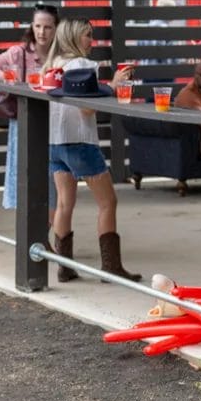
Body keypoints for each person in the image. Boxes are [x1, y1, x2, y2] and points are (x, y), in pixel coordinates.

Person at [42, 17, 137, 283]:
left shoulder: (52, 65)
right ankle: (111, 268)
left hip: (55, 144)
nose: (91, 41)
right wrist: (115, 86)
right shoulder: (83, 65)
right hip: (80, 143)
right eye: (87, 35)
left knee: (63, 203)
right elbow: (86, 108)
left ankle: (64, 266)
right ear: (73, 37)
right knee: (108, 202)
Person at [0, 4, 58, 211]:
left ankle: (48, 236)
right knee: (25, 176)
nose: (41, 32)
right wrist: (8, 78)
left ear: (56, 28)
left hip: (54, 123)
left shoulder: (62, 54)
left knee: (52, 183)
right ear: (32, 26)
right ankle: (29, 236)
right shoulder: (18, 53)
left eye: (47, 27)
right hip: (24, 122)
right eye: (38, 26)